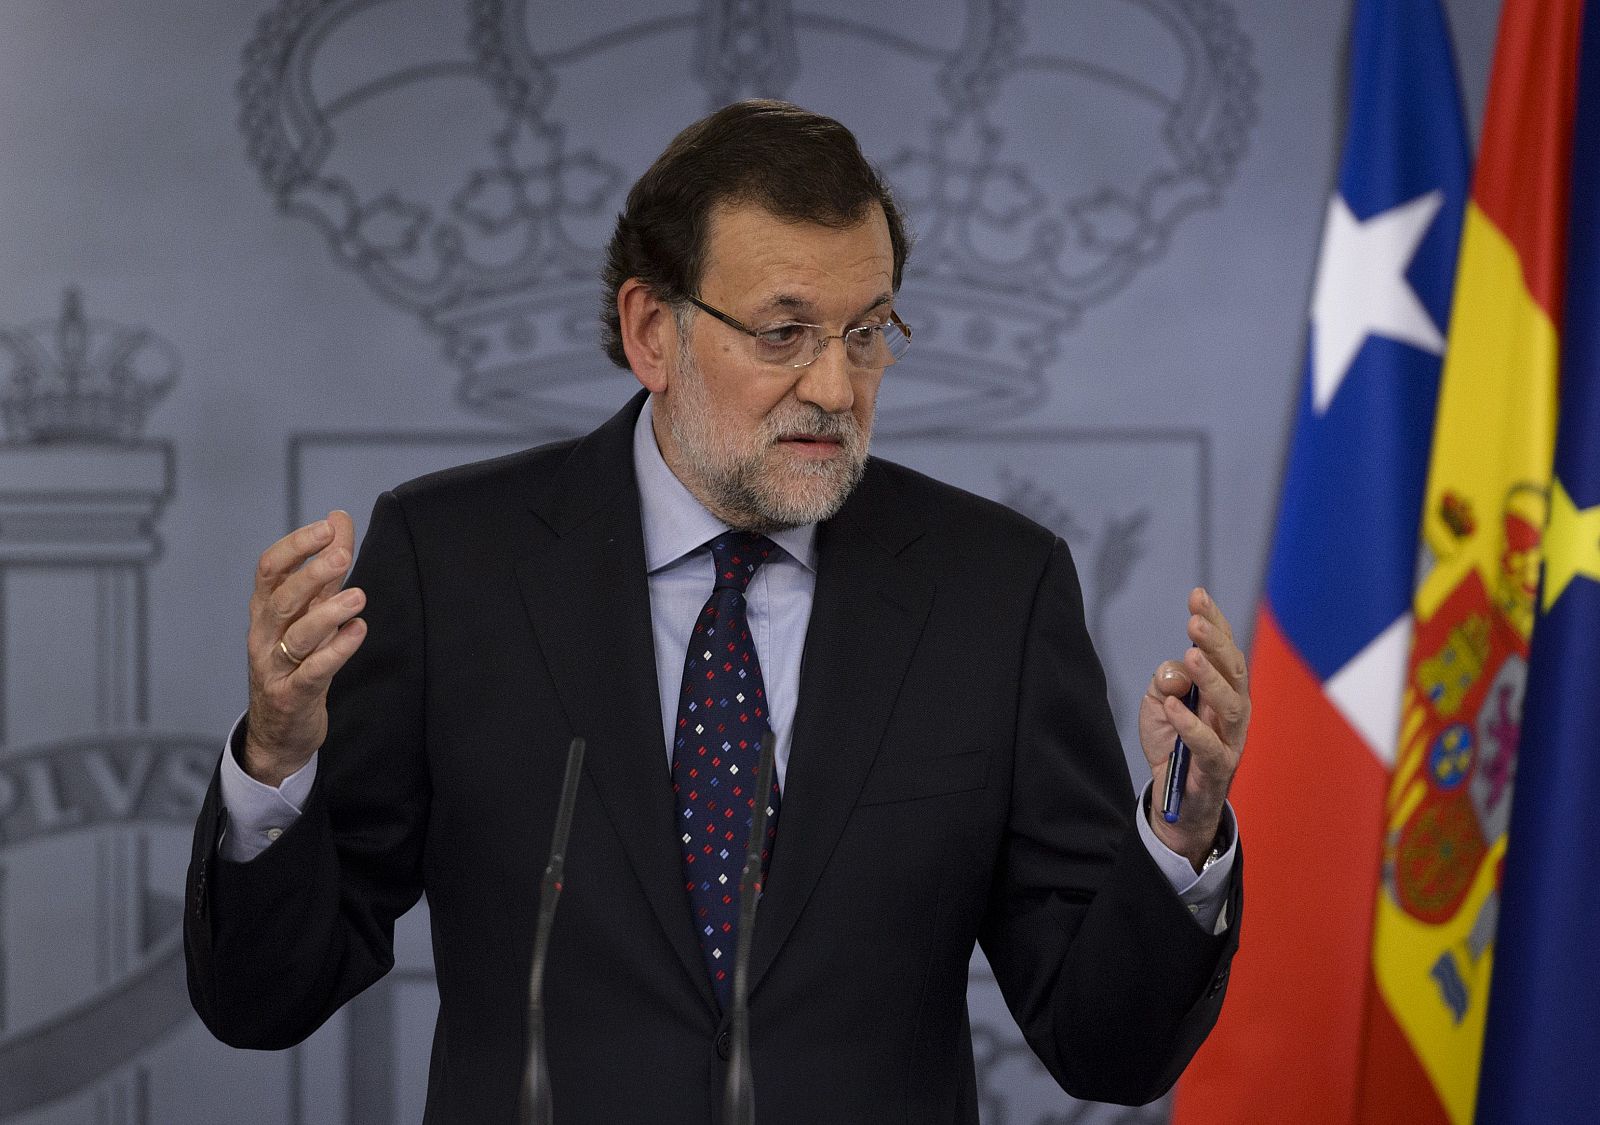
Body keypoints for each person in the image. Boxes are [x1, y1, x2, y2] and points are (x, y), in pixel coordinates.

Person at [185, 100, 1249, 1124]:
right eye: (785, 333)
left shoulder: (992, 592)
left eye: (867, 331)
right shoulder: (454, 561)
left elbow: (1107, 1048)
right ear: (653, 331)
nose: (836, 385)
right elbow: (267, 997)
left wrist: (1178, 835)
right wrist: (277, 760)